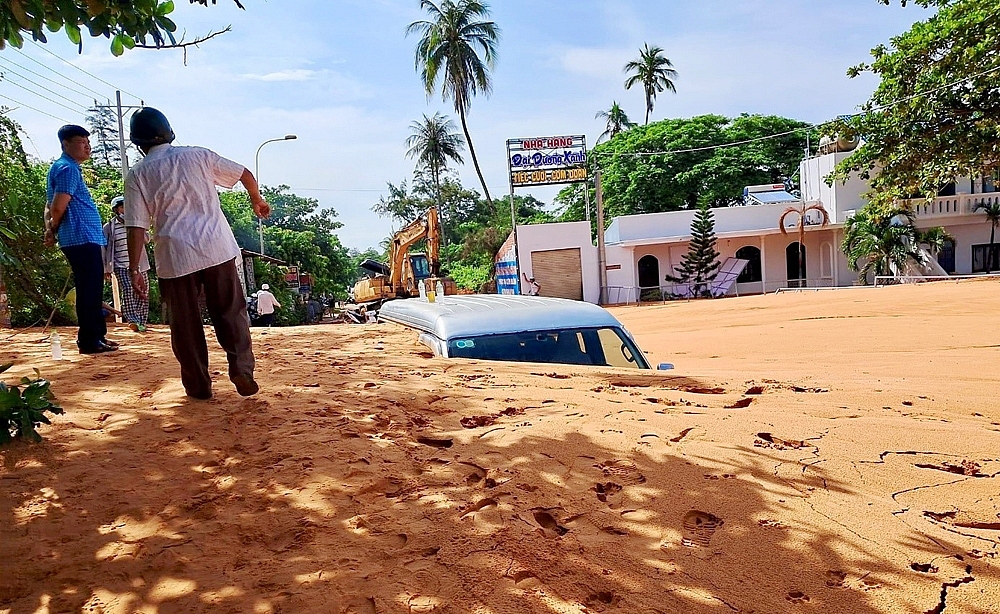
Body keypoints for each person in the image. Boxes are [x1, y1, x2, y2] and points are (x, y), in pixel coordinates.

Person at [124, 107, 270, 400]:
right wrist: (256, 199)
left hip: (174, 257)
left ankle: (198, 386)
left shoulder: (137, 174)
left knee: (185, 326)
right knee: (231, 312)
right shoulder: (197, 155)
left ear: (139, 144)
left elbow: (136, 226)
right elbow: (244, 173)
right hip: (216, 248)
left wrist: (135, 268)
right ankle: (242, 369)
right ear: (169, 133)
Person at [44, 125, 117, 354]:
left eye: (88, 141)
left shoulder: (65, 168)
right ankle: (89, 341)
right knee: (89, 289)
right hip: (80, 237)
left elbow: (50, 208)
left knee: (92, 288)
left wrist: (50, 229)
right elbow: (56, 207)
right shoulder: (67, 169)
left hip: (82, 237)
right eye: (81, 141)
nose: (87, 146)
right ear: (65, 144)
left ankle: (97, 336)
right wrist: (52, 229)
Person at [103, 196, 151, 332]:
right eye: (123, 207)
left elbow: (147, 240)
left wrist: (137, 225)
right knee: (128, 289)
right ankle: (133, 320)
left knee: (142, 292)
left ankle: (141, 321)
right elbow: (105, 248)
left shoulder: (135, 223)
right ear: (116, 210)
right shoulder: (109, 227)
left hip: (140, 265)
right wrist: (106, 268)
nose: (126, 210)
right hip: (121, 265)